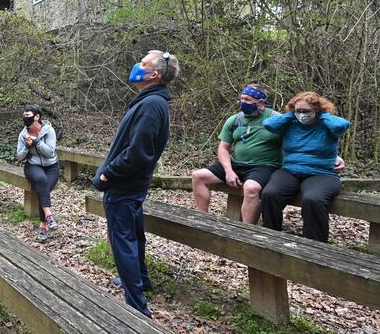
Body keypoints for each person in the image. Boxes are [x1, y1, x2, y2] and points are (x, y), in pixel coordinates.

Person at [92, 50, 180, 318]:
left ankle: (136, 307)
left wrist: (108, 175)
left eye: (143, 63)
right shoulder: (149, 101)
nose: (136, 65)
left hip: (124, 186)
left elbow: (138, 153)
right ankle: (140, 280)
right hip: (131, 185)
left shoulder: (152, 105)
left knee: (123, 241)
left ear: (154, 74)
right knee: (134, 233)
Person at [261, 91, 351, 242]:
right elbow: (268, 125)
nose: (302, 114)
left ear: (316, 110)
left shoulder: (327, 124)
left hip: (322, 173)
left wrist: (322, 114)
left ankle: (315, 245)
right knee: (270, 194)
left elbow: (342, 125)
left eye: (306, 111)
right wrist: (291, 114)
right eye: (298, 111)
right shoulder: (290, 123)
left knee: (313, 199)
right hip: (291, 170)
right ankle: (271, 237)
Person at [191, 85, 282, 224]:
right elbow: (223, 148)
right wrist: (228, 171)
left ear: (261, 103)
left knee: (251, 188)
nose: (243, 102)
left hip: (264, 166)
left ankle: (246, 231)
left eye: (248, 99)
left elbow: (293, 141)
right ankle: (202, 221)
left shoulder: (276, 119)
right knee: (198, 176)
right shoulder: (235, 120)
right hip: (236, 164)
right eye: (241, 99)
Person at [16, 104, 60, 243]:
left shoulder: (49, 131)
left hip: (51, 166)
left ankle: (43, 226)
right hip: (32, 166)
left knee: (44, 188)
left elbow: (50, 152)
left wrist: (37, 142)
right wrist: (27, 146)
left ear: (37, 116)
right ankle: (48, 216)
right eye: (23, 116)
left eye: (27, 115)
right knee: (41, 180)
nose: (25, 118)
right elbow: (19, 156)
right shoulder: (23, 134)